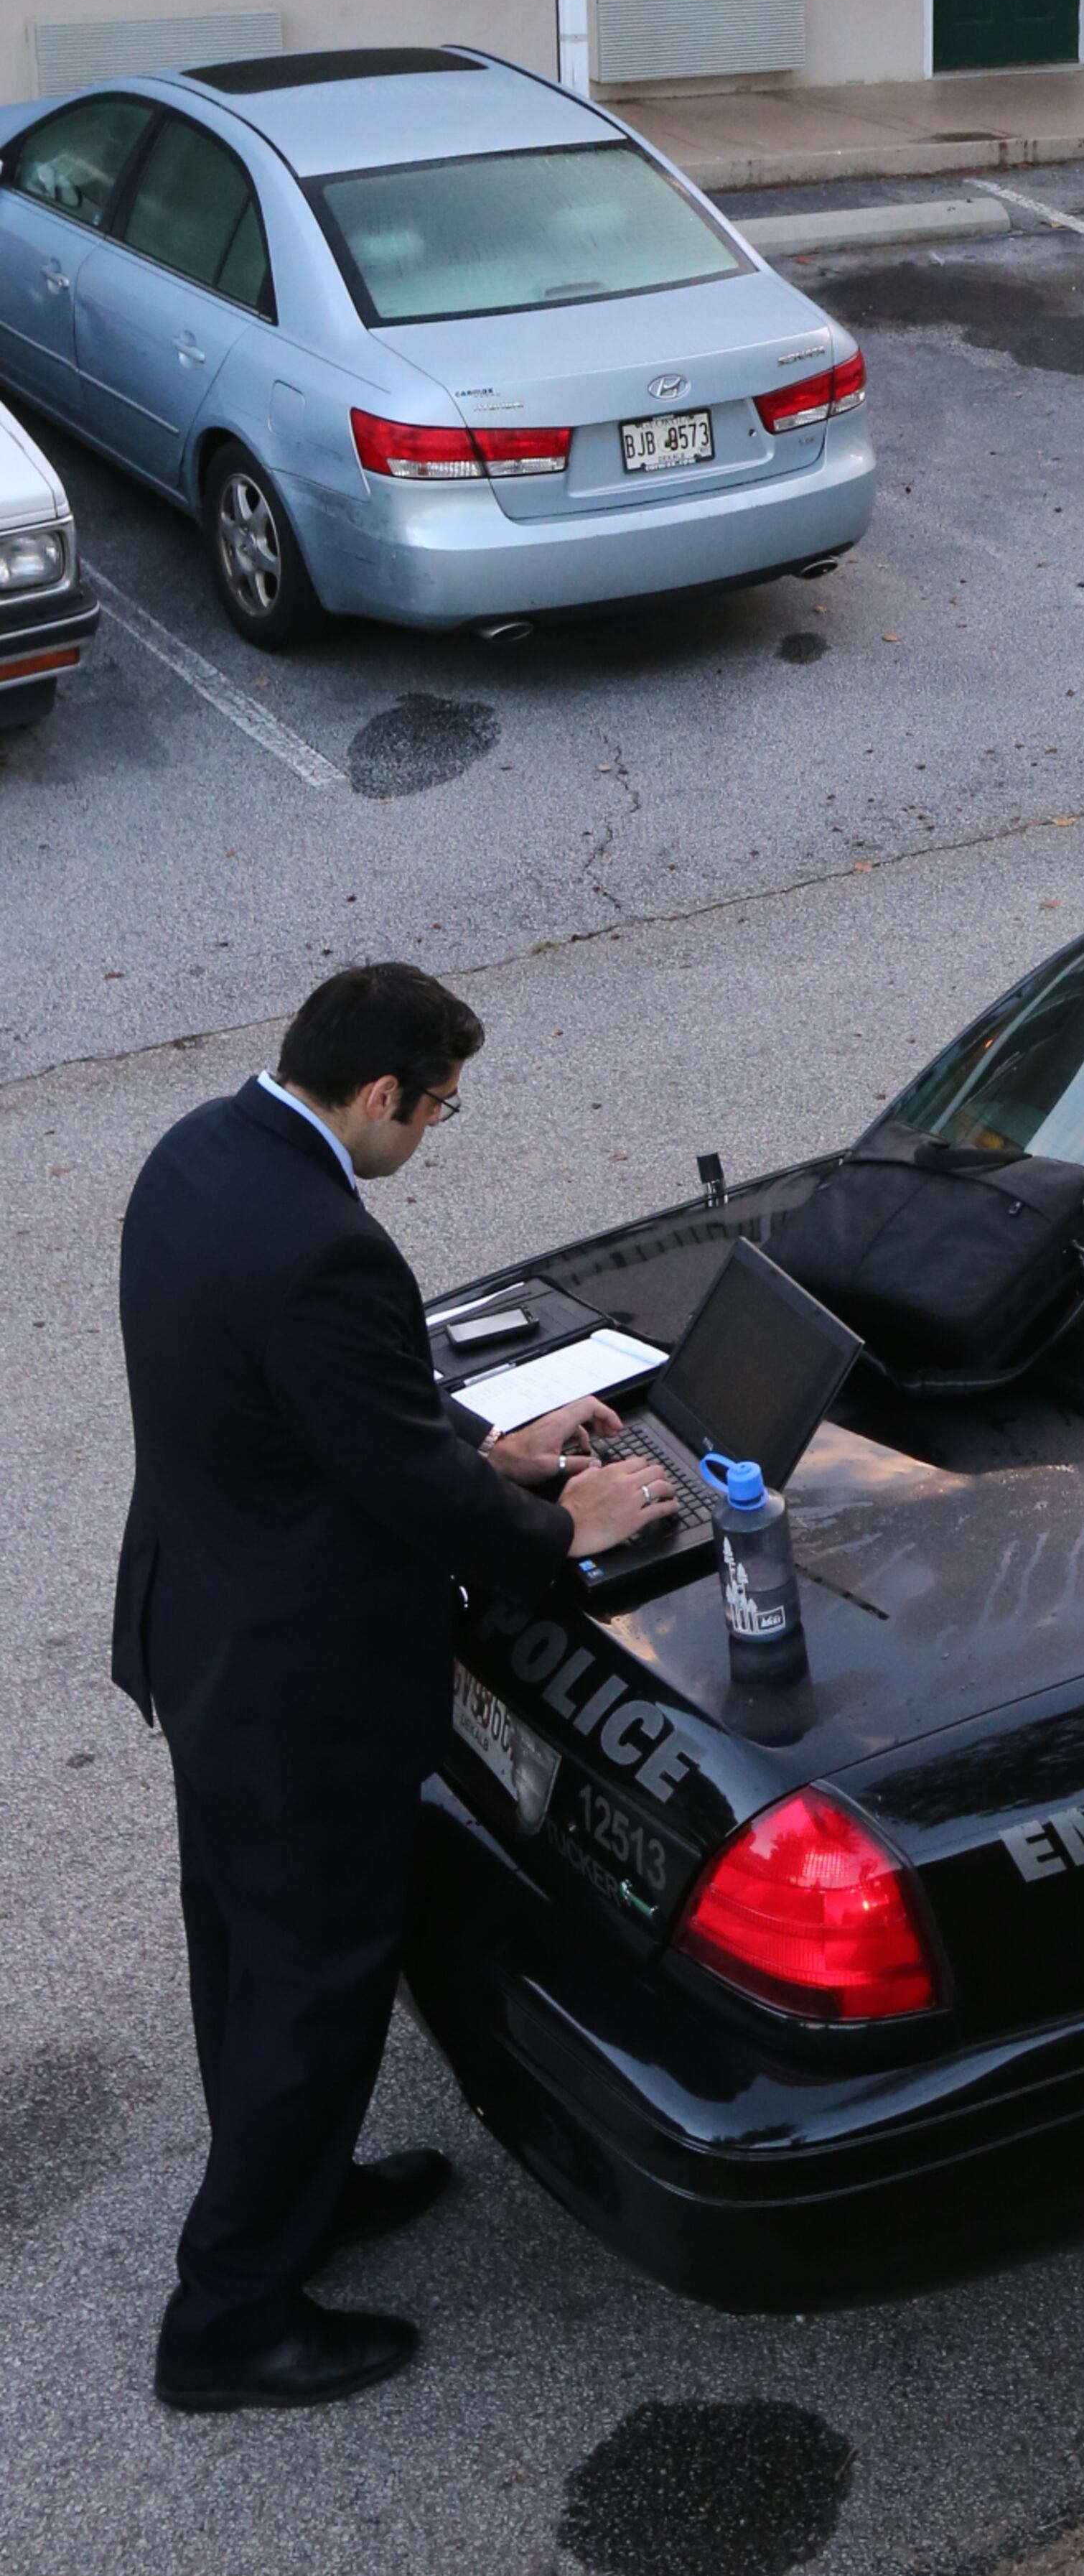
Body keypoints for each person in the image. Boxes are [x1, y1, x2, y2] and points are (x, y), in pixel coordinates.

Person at [111, 962, 677, 2414]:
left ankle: (293, 2194)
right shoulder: (325, 1246)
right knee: (316, 1982)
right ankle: (229, 2317)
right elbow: (386, 1470)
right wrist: (569, 1523)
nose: (430, 1134)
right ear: (380, 1097)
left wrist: (497, 1446)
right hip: (301, 1685)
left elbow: (322, 1409)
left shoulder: (198, 1156)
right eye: (435, 1111)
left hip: (208, 1632)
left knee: (244, 1951)